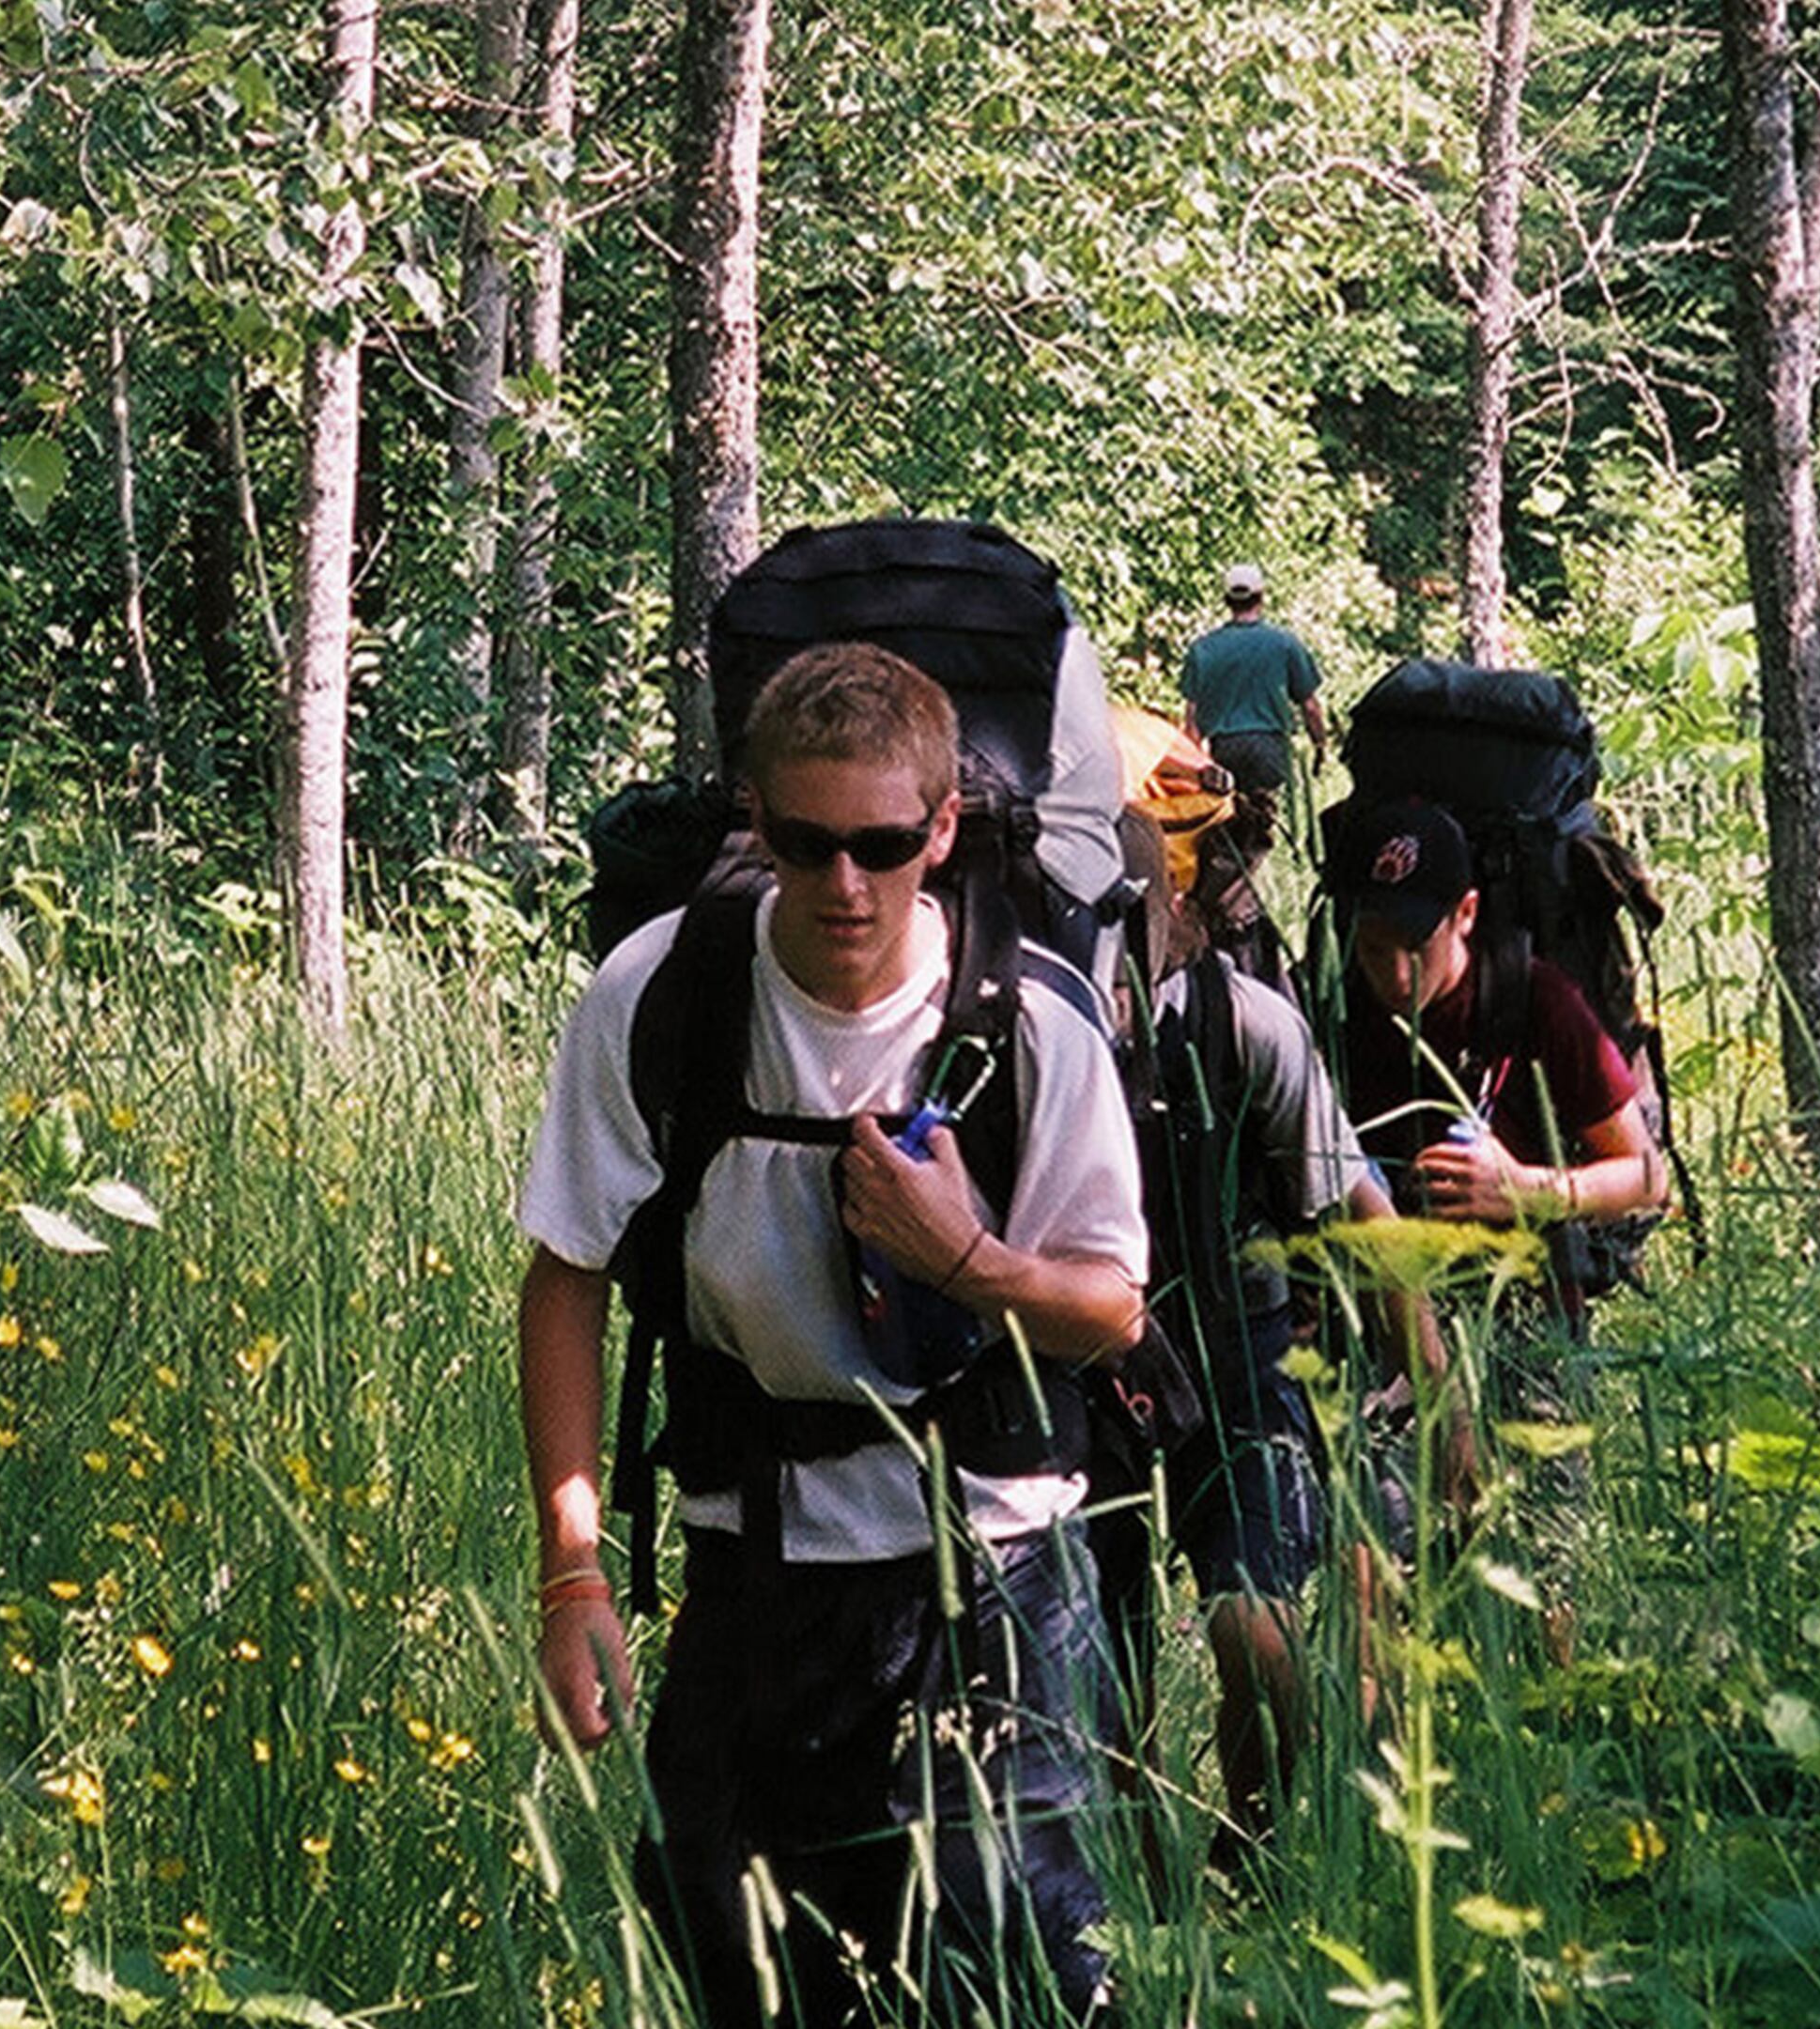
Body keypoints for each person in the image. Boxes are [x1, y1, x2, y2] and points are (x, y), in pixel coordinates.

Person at [517, 642, 1149, 2025]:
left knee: (1008, 1983)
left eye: (882, 845)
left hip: (991, 1567)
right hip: (755, 1569)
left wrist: (963, 1259)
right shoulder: (662, 994)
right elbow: (565, 1273)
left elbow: (1111, 1313)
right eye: (807, 843)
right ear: (757, 819)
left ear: (943, 828)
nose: (845, 884)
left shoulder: (1031, 1024)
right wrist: (574, 1577)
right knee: (742, 1971)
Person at [1091, 832, 1410, 1874]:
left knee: (1257, 1632)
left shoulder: (1246, 1021)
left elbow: (1359, 1207)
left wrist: (1439, 1389)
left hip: (1237, 1351)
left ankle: (1255, 1853)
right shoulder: (1039, 1024)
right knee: (1107, 1669)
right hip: (1082, 1364)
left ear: (1177, 912)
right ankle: (1148, 1891)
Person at [1325, 798, 1658, 1602]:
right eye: (1372, 949)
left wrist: (1527, 1189)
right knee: (1381, 1578)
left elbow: (1645, 1176)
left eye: (1415, 948)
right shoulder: (1336, 1012)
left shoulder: (1536, 1001)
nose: (1393, 975)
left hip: (1527, 1322)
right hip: (1388, 1332)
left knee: (1546, 1574)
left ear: (1466, 915)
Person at [1178, 565, 1330, 818]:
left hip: (1224, 748)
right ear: (1261, 597)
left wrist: (1195, 767)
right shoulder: (1285, 644)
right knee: (1265, 818)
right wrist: (1320, 745)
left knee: (1230, 821)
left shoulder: (1203, 649)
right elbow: (1310, 707)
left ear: (1227, 601)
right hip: (1269, 746)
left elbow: (1191, 723)